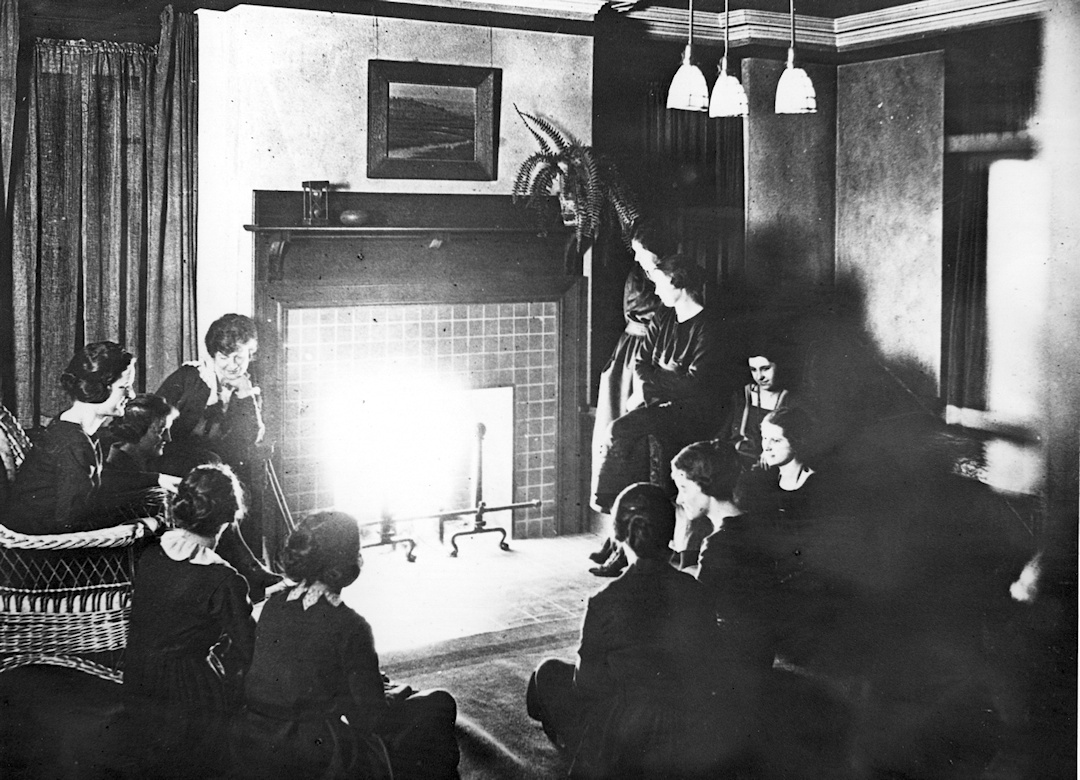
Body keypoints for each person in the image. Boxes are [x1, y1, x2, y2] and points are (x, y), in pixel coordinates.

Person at [527, 482, 746, 779]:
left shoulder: (604, 601)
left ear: (617, 536)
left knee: (548, 673)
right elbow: (708, 666)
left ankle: (586, 750)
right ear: (670, 533)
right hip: (692, 733)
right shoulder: (696, 590)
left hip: (628, 736)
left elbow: (588, 685)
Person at [231, 510, 460, 780]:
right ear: (347, 564)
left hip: (253, 736)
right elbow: (369, 721)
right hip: (312, 748)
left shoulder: (272, 605)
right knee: (439, 703)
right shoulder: (351, 625)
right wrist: (390, 697)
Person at [590, 254, 734, 576]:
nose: (655, 290)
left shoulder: (708, 327)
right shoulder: (664, 318)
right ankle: (620, 533)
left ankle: (619, 525)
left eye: (660, 283)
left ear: (678, 284)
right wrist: (669, 375)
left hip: (695, 414)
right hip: (662, 407)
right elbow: (642, 363)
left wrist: (658, 381)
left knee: (626, 432)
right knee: (625, 434)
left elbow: (697, 386)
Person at [122, 463, 257, 779]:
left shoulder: (150, 554)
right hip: (190, 695)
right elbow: (251, 648)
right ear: (228, 520)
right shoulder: (224, 579)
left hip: (139, 682)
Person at [101, 393, 282, 600]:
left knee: (211, 476)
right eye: (161, 431)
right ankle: (246, 576)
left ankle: (249, 570)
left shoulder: (144, 459)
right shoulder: (116, 469)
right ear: (137, 433)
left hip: (164, 543)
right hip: (141, 553)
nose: (168, 438)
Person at [155, 313, 268, 555]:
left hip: (216, 469)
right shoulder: (189, 378)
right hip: (174, 464)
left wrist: (246, 396)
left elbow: (248, 440)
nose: (232, 365)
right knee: (218, 473)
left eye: (240, 356)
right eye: (224, 357)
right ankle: (244, 564)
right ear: (213, 355)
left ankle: (246, 562)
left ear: (251, 353)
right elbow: (154, 423)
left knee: (246, 486)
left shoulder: (245, 385)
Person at [588, 219, 675, 530]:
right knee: (619, 437)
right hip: (631, 357)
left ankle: (640, 531)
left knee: (640, 446)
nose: (637, 259)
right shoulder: (640, 277)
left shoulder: (667, 280)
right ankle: (618, 533)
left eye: (642, 252)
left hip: (651, 356)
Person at [3, 341, 140, 534]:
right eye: (124, 387)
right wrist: (135, 525)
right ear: (97, 389)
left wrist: (158, 480)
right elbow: (71, 522)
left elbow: (94, 488)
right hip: (44, 553)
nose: (132, 394)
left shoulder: (71, 428)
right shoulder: (73, 442)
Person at [719, 339, 794, 470]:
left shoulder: (791, 400)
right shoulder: (742, 395)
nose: (759, 377)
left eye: (765, 369)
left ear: (779, 366)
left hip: (765, 465)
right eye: (754, 370)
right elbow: (725, 433)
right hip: (732, 458)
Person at [669, 439, 742, 571]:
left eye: (683, 488)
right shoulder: (754, 526)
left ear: (704, 483)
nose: (679, 500)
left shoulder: (716, 545)